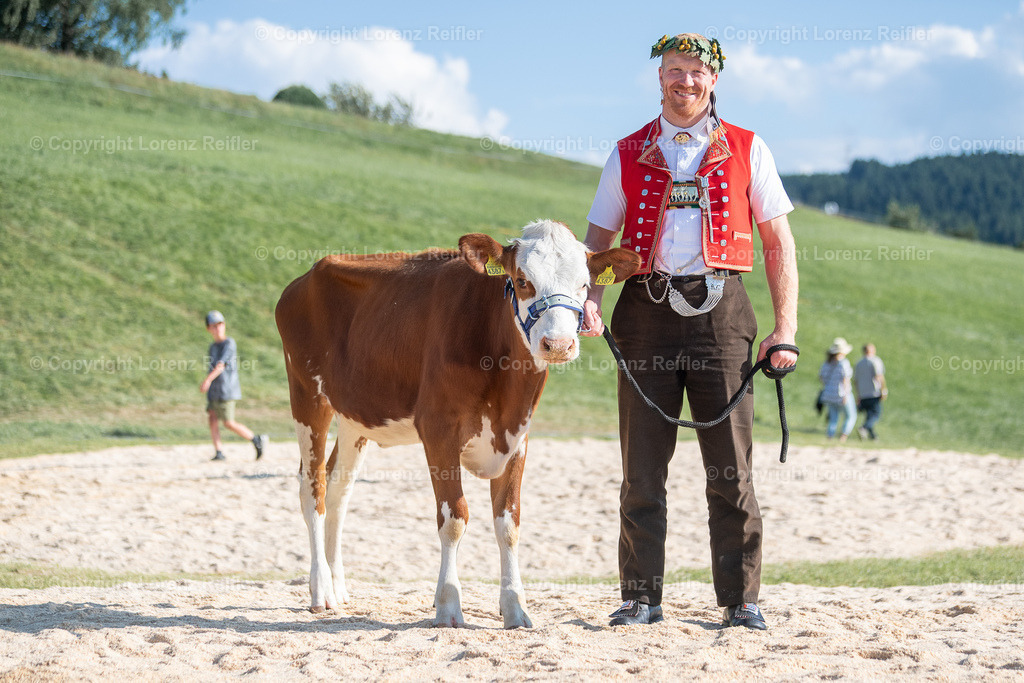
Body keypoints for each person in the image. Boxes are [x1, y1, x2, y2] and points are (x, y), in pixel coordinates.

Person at [581, 33, 798, 630]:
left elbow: (778, 244)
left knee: (730, 470)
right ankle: (640, 598)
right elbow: (597, 241)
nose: (685, 82)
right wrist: (591, 300)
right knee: (642, 470)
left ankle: (741, 600)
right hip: (644, 315)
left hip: (723, 318)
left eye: (696, 72)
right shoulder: (625, 152)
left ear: (714, 80)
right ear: (659, 78)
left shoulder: (749, 149)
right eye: (674, 71)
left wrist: (787, 328)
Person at [200, 310, 267, 461]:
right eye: (214, 325)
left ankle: (256, 439)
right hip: (214, 391)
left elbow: (220, 366)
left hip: (226, 389)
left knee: (229, 422)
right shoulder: (212, 346)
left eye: (220, 324)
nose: (218, 328)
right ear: (208, 329)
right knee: (212, 418)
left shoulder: (229, 343)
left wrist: (208, 380)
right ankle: (219, 452)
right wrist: (210, 383)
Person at [818, 337, 856, 442]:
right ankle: (843, 436)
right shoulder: (843, 363)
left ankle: (830, 436)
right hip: (841, 393)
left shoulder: (827, 363)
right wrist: (846, 394)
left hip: (828, 393)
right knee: (851, 416)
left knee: (833, 417)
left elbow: (822, 378)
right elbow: (845, 380)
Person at [855, 343, 887, 440]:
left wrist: (858, 394)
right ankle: (864, 428)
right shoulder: (875, 361)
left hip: (863, 392)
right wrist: (883, 389)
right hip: (874, 391)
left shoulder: (859, 363)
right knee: (876, 414)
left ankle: (873, 436)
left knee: (869, 414)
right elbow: (879, 376)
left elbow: (855, 380)